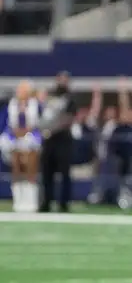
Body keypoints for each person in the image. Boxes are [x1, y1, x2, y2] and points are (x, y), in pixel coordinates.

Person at [38, 71, 76, 212]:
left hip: (63, 140)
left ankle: (64, 203)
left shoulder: (70, 99)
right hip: (48, 140)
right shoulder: (49, 99)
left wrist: (51, 129)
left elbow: (68, 119)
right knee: (47, 172)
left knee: (64, 173)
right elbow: (42, 116)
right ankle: (46, 202)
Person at [1, 81, 41, 212]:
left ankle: (31, 201)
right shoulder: (12, 105)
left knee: (31, 168)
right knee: (16, 168)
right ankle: (18, 201)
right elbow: (8, 123)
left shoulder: (35, 105)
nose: (22, 93)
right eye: (20, 91)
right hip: (14, 136)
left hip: (31, 136)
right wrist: (17, 134)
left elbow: (38, 123)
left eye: (25, 91)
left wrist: (27, 132)